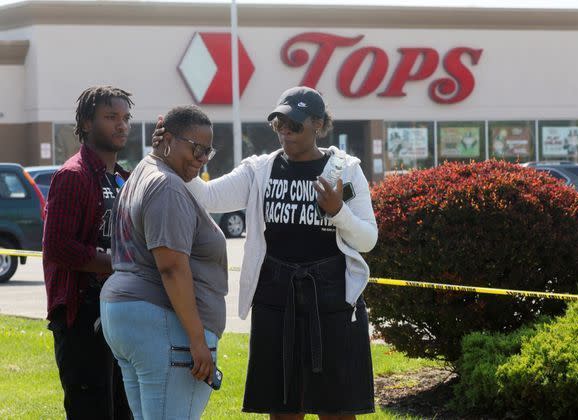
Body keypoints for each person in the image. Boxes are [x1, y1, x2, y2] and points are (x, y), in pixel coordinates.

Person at [154, 86, 378, 419]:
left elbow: (368, 239)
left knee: (337, 409)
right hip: (276, 299)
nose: (285, 131)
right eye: (279, 123)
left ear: (318, 124)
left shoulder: (344, 170)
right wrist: (171, 156)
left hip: (332, 304)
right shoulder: (259, 170)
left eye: (295, 124)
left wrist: (337, 212)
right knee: (283, 407)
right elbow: (209, 197)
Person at [100, 105, 228, 419]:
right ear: (168, 139)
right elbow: (171, 267)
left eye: (207, 151)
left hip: (131, 316)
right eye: (196, 147)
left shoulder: (145, 170)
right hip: (162, 323)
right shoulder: (167, 186)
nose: (201, 157)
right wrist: (197, 341)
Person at [42, 86, 133, 419]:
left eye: (125, 118)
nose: (121, 125)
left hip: (120, 313)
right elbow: (58, 246)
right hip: (81, 316)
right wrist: (121, 264)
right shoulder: (73, 175)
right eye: (111, 117)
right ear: (85, 123)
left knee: (124, 411)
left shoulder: (121, 178)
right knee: (91, 410)